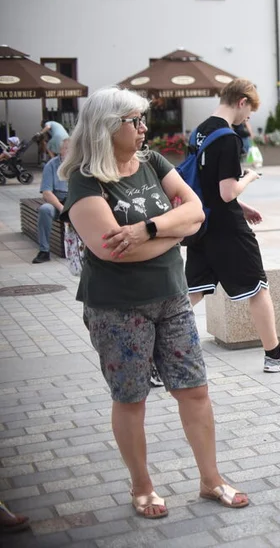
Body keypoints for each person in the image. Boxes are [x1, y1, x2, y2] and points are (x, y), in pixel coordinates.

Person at [60, 86, 249, 518]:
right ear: (108, 126)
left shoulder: (152, 162)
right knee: (131, 398)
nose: (145, 129)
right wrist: (173, 233)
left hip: (172, 296)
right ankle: (142, 486)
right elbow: (109, 249)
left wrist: (148, 231)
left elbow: (197, 210)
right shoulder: (85, 180)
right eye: (136, 121)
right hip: (117, 306)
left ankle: (210, 479)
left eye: (144, 119)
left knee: (195, 390)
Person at [186, 80, 280, 373]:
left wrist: (242, 205)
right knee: (258, 288)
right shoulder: (228, 138)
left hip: (201, 223)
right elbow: (227, 191)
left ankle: (153, 353)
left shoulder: (199, 131)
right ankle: (275, 355)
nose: (247, 119)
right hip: (228, 228)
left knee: (194, 291)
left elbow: (207, 187)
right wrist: (250, 177)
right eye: (249, 112)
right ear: (241, 101)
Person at [32, 138, 69, 264]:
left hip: (75, 202)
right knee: (45, 209)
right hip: (57, 202)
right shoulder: (51, 165)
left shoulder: (80, 165)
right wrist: (61, 208)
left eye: (73, 149)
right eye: (66, 149)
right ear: (61, 150)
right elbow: (47, 193)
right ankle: (44, 251)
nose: (69, 152)